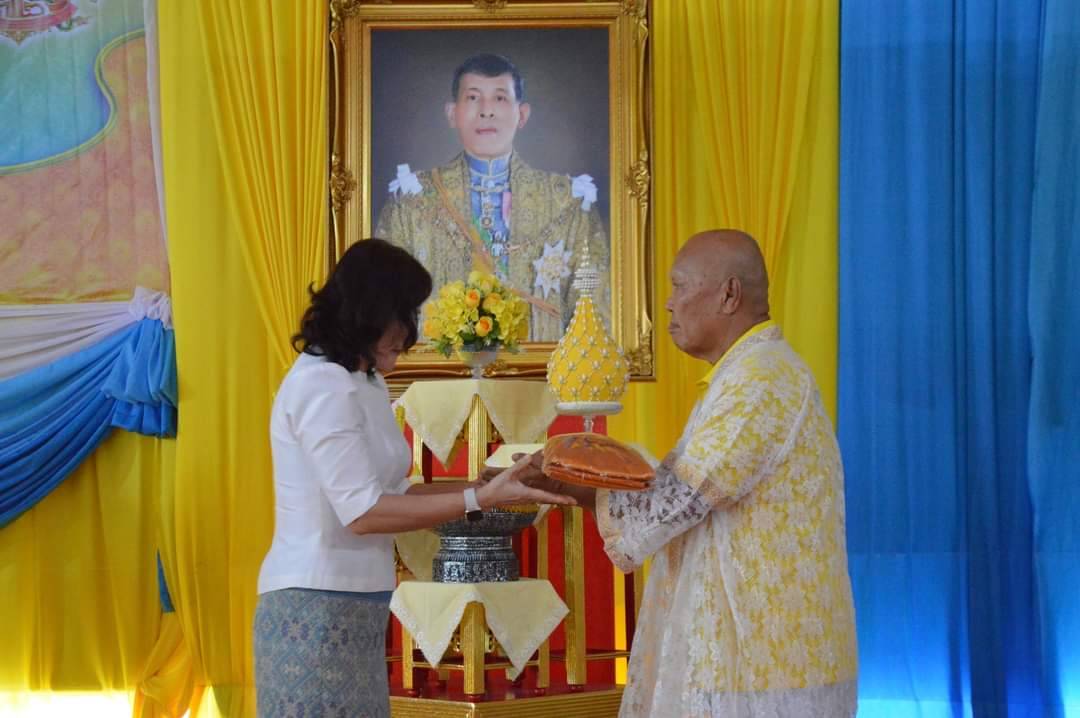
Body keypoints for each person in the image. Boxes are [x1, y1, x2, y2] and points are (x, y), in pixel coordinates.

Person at [506, 230, 859, 716]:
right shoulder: (745, 375)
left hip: (760, 668)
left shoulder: (761, 379)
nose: (667, 306)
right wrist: (577, 482)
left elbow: (676, 502)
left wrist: (577, 480)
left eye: (678, 286)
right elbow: (674, 493)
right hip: (747, 664)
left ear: (729, 294)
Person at [252, 238, 574, 718]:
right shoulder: (321, 385)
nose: (410, 332)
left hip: (358, 602)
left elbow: (396, 493)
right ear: (371, 312)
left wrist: (491, 482)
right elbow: (363, 513)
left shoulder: (364, 381)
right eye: (405, 314)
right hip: (312, 607)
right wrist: (479, 498)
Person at [374, 52, 610, 341]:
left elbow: (595, 306)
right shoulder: (411, 201)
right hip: (435, 378)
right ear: (452, 113)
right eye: (473, 98)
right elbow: (384, 303)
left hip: (542, 377)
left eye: (499, 98)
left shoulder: (568, 203)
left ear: (522, 114)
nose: (486, 111)